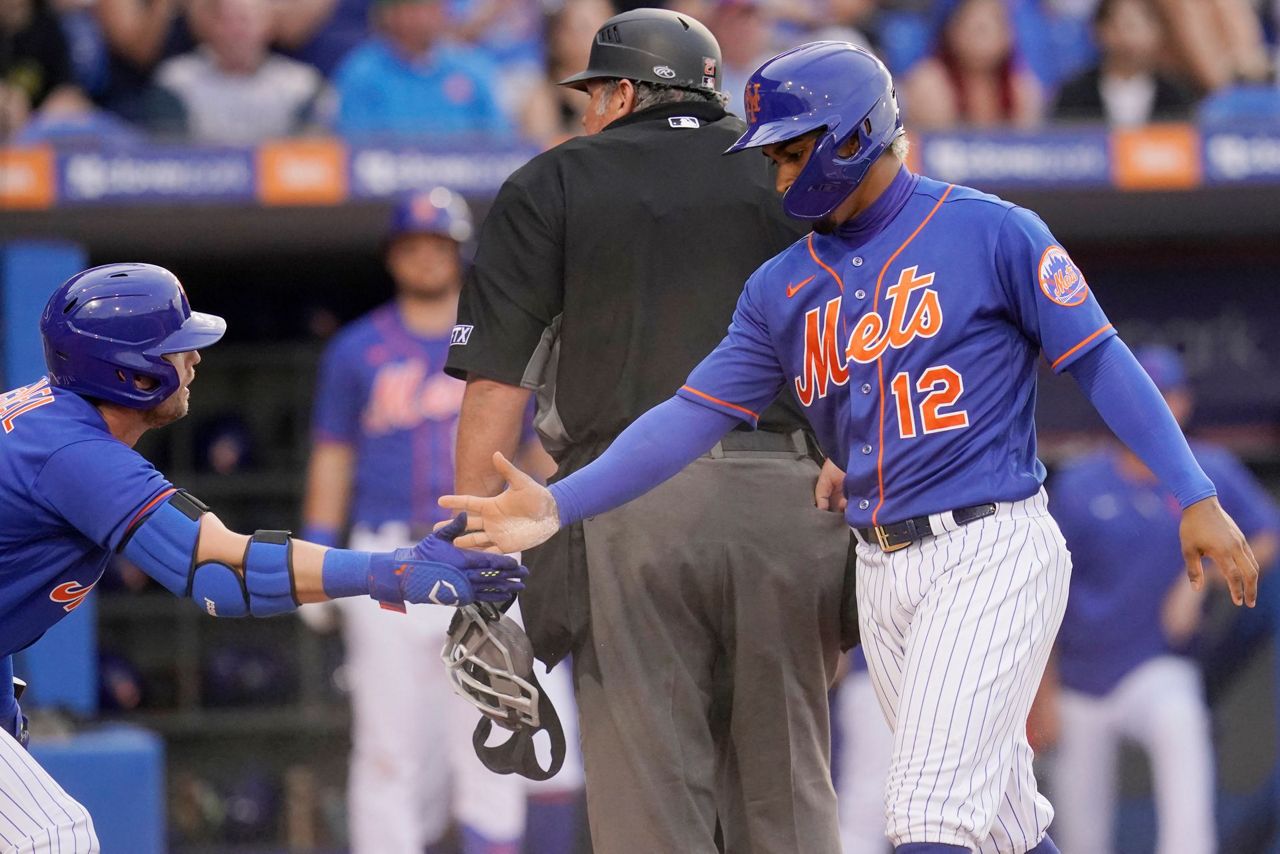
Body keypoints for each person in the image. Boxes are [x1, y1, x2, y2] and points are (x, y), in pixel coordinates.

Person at [441, 41, 1262, 854]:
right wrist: (558, 503)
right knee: (1007, 827)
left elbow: (1103, 361)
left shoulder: (992, 231)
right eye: (774, 157)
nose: (781, 177)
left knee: (924, 820)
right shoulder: (781, 285)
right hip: (881, 564)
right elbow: (688, 415)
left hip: (986, 546)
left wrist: (1193, 492)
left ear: (855, 134)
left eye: (794, 153)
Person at [444, 9, 851, 853]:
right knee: (790, 799)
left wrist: (473, 544)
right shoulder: (790, 170)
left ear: (624, 90)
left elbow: (494, 389)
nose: (589, 113)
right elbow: (867, 345)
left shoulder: (551, 180)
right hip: (793, 499)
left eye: (595, 95)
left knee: (649, 813)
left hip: (625, 509)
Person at [0, 262, 526, 852]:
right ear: (132, 373)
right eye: (177, 349)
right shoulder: (77, 453)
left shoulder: (52, 417)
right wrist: (393, 572)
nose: (195, 360)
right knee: (55, 837)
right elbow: (220, 572)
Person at [300, 189, 582, 854]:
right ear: (393, 256)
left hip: (485, 554)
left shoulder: (508, 337)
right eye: (412, 246)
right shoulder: (356, 348)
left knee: (501, 733)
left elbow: (541, 451)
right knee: (387, 748)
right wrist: (316, 549)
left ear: (459, 253)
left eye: (438, 245)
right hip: (387, 556)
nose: (425, 258)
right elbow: (334, 456)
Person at [1036, 345, 1279, 854]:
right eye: (1143, 396)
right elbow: (1044, 595)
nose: (1155, 408)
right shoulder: (1081, 482)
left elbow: (1265, 536)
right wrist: (1043, 693)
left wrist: (1202, 580)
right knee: (1081, 836)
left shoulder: (1208, 470)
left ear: (1183, 403)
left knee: (1180, 720)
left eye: (1164, 396)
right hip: (1081, 677)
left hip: (1157, 663)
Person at [156, 0, 333, 143]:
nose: (236, 31)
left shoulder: (301, 85)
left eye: (245, 20)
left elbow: (310, 157)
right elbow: (171, 154)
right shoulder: (177, 82)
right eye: (226, 21)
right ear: (207, 25)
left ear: (268, 24)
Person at [332, 0, 510, 138]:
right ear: (390, 15)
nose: (428, 17)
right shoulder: (362, 71)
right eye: (416, 8)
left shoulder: (471, 66)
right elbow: (356, 146)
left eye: (435, 7)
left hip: (468, 178)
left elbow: (499, 139)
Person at [899, 0, 1042, 130]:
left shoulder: (1022, 88)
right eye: (976, 27)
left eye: (988, 27)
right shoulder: (929, 82)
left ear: (1008, 35)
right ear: (952, 29)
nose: (981, 39)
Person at [1053, 0, 1195, 127]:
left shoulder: (1176, 95)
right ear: (1100, 30)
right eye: (1124, 25)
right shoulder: (1074, 94)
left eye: (1138, 26)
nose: (1129, 38)